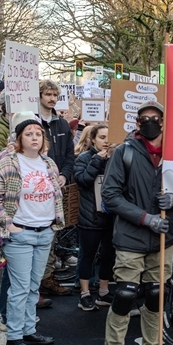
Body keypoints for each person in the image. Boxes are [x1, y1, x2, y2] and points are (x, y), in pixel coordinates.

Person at [98, 101, 173, 345]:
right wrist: (145, 218)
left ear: (165, 121)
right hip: (131, 237)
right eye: (144, 118)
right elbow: (110, 196)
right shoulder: (124, 153)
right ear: (137, 123)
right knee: (124, 295)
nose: (150, 122)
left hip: (163, 240)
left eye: (155, 117)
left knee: (156, 295)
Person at [0, 118, 64, 345]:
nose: (34, 138)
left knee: (33, 286)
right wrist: (9, 224)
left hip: (45, 232)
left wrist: (53, 225)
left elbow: (55, 195)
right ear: (19, 139)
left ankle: (29, 329)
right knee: (19, 288)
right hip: (20, 233)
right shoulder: (8, 163)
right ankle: (14, 335)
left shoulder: (48, 163)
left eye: (38, 134)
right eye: (29, 134)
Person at [36, 80, 76, 297]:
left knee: (52, 236)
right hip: (34, 192)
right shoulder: (32, 122)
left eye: (54, 95)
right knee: (38, 237)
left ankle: (47, 278)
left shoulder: (61, 125)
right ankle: (36, 284)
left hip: (56, 191)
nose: (51, 98)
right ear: (40, 96)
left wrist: (64, 175)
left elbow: (70, 155)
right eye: (47, 94)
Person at [73, 124, 116, 311]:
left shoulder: (116, 158)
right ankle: (85, 293)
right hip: (90, 216)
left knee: (108, 256)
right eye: (101, 137)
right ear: (92, 140)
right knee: (87, 256)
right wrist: (97, 161)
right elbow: (82, 181)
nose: (106, 141)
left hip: (111, 217)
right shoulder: (84, 158)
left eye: (109, 137)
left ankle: (104, 292)